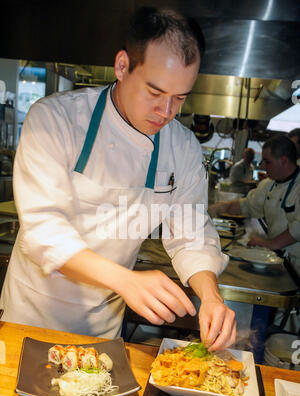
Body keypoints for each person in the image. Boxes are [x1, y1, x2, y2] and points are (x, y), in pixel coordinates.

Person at [0, 7, 236, 351]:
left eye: (180, 98)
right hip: (30, 317)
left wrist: (211, 296)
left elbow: (191, 234)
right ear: (122, 66)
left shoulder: (181, 148)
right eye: (155, 93)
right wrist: (125, 280)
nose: (166, 112)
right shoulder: (56, 119)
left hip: (102, 329)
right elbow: (45, 232)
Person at [209, 135, 300, 276]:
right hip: (279, 261)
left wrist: (271, 244)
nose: (262, 166)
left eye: (267, 161)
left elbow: (298, 228)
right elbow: (248, 205)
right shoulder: (269, 184)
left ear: (283, 161)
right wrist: (221, 207)